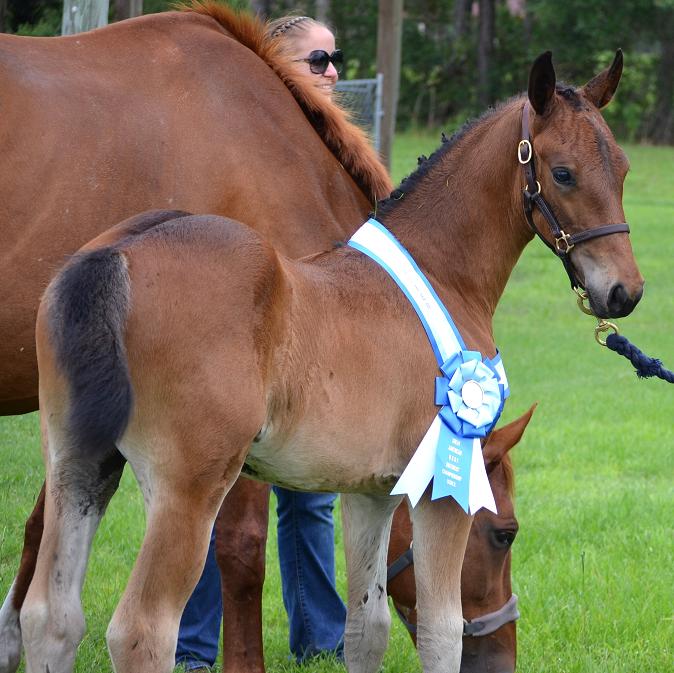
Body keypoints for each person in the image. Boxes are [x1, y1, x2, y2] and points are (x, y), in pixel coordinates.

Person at [175, 15, 346, 672]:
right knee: (211, 497)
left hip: (310, 361)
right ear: (274, 66)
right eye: (319, 59)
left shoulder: (335, 151)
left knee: (313, 501)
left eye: (336, 57)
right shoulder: (241, 146)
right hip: (233, 358)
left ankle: (321, 643)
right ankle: (193, 653)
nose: (333, 71)